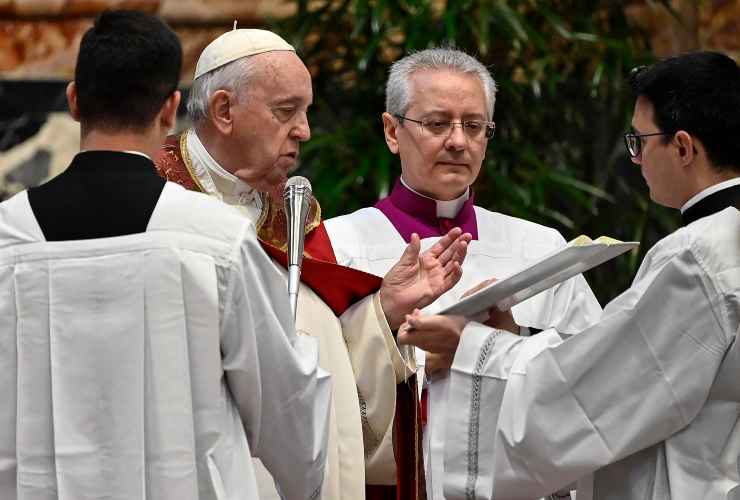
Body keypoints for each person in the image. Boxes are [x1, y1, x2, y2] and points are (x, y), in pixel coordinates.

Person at [0, 11, 333, 500]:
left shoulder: (8, 238)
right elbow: (288, 408)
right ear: (169, 108)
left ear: (73, 101)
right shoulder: (216, 239)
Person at [398, 51, 740, 500]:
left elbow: (597, 394)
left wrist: (474, 348)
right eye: (437, 124)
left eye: (639, 141)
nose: (635, 160)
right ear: (393, 130)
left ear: (682, 147)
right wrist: (517, 335)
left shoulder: (699, 255)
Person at [154, 28, 471, 500]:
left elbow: (328, 373)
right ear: (224, 111)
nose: (304, 130)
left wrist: (384, 311)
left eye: (305, 112)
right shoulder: (155, 211)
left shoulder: (296, 220)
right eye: (286, 112)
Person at [323, 47, 602, 500]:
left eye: (474, 126)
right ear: (393, 131)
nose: (458, 141)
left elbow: (594, 373)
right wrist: (389, 323)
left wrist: (512, 339)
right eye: (437, 124)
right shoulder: (338, 245)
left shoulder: (540, 247)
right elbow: (311, 385)